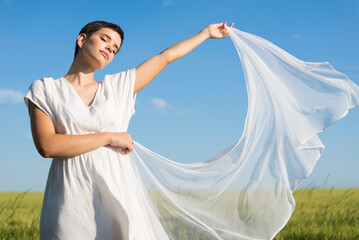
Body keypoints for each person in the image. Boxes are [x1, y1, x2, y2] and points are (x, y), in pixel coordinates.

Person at [24, 20, 234, 239]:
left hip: (119, 193)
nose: (110, 48)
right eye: (105, 40)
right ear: (82, 40)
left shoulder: (117, 87)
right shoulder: (45, 89)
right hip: (70, 199)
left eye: (115, 49)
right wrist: (109, 137)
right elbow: (47, 145)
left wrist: (205, 33)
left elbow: (165, 57)